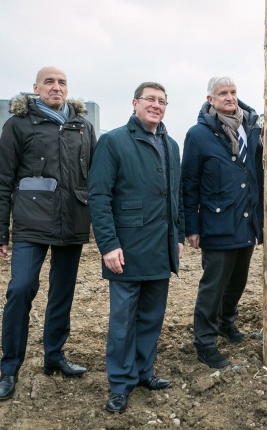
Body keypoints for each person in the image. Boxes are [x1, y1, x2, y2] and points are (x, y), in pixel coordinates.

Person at [0, 66, 97, 400]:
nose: (56, 87)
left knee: (62, 293)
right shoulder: (19, 124)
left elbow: (95, 176)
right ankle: (9, 368)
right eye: (49, 81)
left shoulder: (83, 126)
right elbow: (2, 179)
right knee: (20, 289)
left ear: (68, 89)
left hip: (72, 221)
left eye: (62, 82)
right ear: (36, 88)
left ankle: (54, 356)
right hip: (30, 223)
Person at [88, 82, 184, 414]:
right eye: (150, 100)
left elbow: (175, 197)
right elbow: (99, 196)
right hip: (126, 248)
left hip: (160, 245)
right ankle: (120, 383)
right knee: (123, 322)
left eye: (162, 101)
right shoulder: (113, 141)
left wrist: (178, 237)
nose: (156, 105)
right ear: (135, 103)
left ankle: (144, 372)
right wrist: (109, 244)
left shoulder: (171, 145)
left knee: (152, 317)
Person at [182, 76, 263, 369]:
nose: (229, 97)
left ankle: (226, 323)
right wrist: (191, 226)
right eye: (222, 94)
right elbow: (189, 184)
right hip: (217, 224)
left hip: (247, 222)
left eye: (233, 92)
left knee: (238, 281)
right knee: (213, 285)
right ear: (210, 100)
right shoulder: (198, 135)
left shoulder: (251, 128)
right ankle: (204, 342)